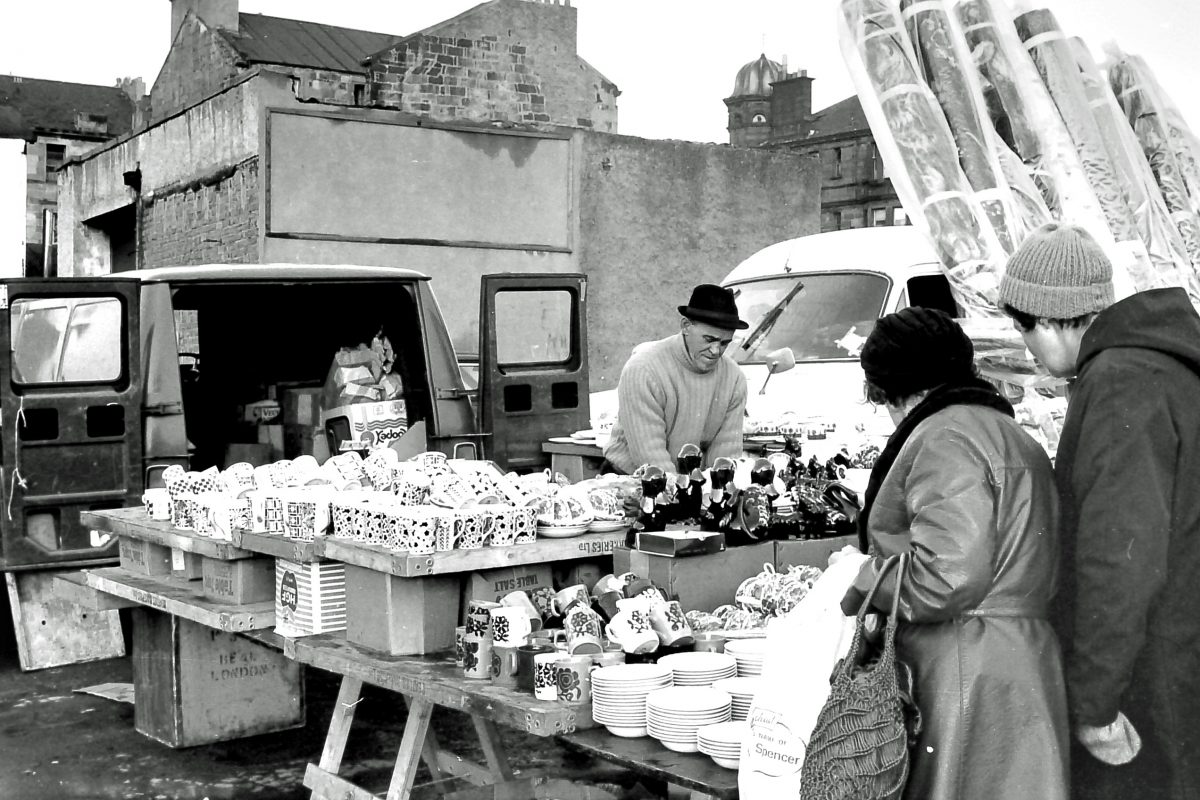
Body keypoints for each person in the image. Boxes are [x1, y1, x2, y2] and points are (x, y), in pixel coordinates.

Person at [998, 222, 1200, 800]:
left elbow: (1120, 557)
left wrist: (1093, 701)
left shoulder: (1122, 381)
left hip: (1146, 678)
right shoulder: (1162, 365)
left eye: (1024, 328)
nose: (1027, 349)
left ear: (1050, 317)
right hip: (1177, 650)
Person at [841, 307, 1069, 800]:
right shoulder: (1011, 433)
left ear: (895, 389)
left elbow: (946, 578)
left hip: (964, 669)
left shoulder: (943, 437)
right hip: (1023, 661)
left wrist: (866, 581)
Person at [603, 284, 748, 474]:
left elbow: (725, 455)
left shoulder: (734, 378)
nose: (716, 351)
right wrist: (680, 496)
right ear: (686, 326)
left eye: (724, 343)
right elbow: (649, 454)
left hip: (691, 485)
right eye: (709, 339)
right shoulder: (644, 370)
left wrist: (715, 493)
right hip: (632, 478)